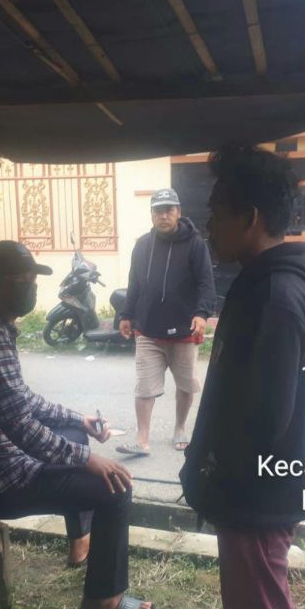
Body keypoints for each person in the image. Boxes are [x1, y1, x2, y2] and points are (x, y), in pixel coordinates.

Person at [0, 240, 154, 609]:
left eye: (32, 279)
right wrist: (88, 459)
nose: (31, 287)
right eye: (20, 279)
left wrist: (78, 419)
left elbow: (23, 400)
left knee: (74, 434)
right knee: (115, 488)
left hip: (1, 466)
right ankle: (102, 603)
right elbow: (20, 425)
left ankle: (79, 544)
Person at [179, 145, 305, 609]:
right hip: (252, 493)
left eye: (218, 213)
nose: (209, 227)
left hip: (256, 497)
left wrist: (220, 477)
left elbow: (266, 418)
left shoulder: (276, 296)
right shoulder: (262, 282)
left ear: (252, 218)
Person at [117, 188, 216, 455]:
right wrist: (126, 314)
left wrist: (201, 313)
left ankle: (180, 428)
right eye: (158, 211)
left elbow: (206, 283)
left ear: (178, 212)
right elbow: (134, 284)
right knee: (144, 387)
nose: (163, 216)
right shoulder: (142, 245)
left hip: (185, 330)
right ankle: (142, 439)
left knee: (185, 384)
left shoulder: (195, 244)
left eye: (169, 210)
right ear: (151, 214)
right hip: (148, 329)